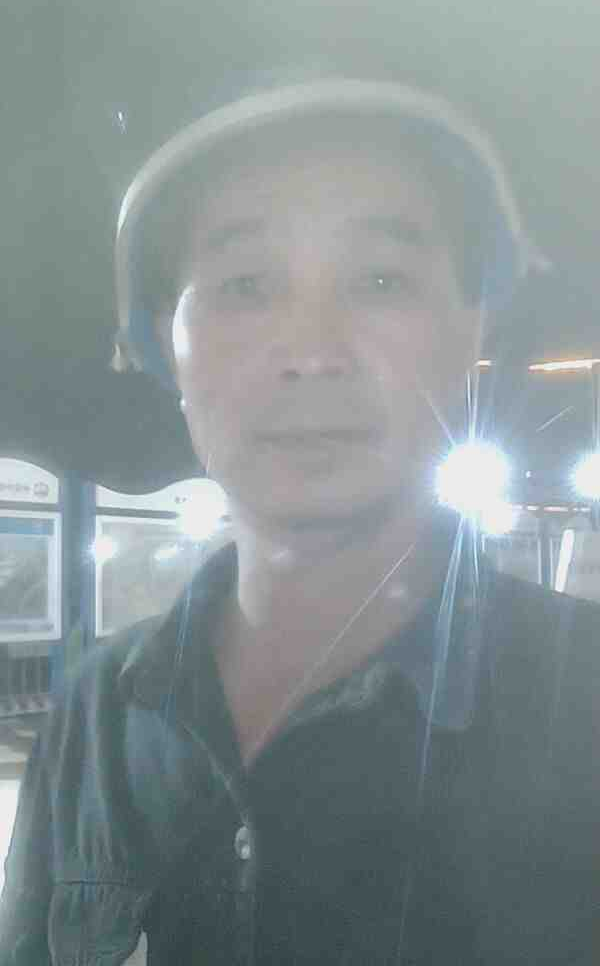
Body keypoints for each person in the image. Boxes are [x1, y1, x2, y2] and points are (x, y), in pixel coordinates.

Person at [1, 75, 599, 965]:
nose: (314, 352)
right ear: (166, 346)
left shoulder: (580, 705)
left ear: (470, 329)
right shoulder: (97, 716)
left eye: (382, 280)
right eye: (245, 285)